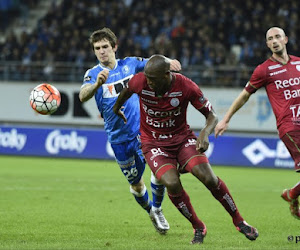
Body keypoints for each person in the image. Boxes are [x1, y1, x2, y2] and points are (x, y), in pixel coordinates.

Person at [113, 54, 258, 244]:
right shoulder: (140, 81)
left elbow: (211, 115)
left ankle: (239, 221)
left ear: (167, 75)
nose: (148, 82)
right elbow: (125, 92)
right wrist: (117, 109)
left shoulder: (186, 86)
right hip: (153, 143)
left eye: (153, 79)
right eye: (146, 77)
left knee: (209, 178)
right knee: (171, 183)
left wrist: (205, 133)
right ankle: (198, 227)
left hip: (182, 140)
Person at [79, 28, 181, 234]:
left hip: (143, 132)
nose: (102, 52)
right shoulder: (93, 74)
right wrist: (97, 83)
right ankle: (151, 211)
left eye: (105, 47)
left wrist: (168, 60)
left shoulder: (129, 64)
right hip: (118, 139)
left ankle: (159, 208)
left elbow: (151, 61)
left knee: (160, 173)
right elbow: (82, 95)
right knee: (136, 185)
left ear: (114, 47)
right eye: (97, 48)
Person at [215, 27, 300, 220]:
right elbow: (245, 95)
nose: (275, 41)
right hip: (291, 127)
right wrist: (226, 119)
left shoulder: (299, 63)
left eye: (278, 37)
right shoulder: (263, 70)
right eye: (270, 39)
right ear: (268, 44)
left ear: (286, 39)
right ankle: (292, 194)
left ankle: (292, 194)